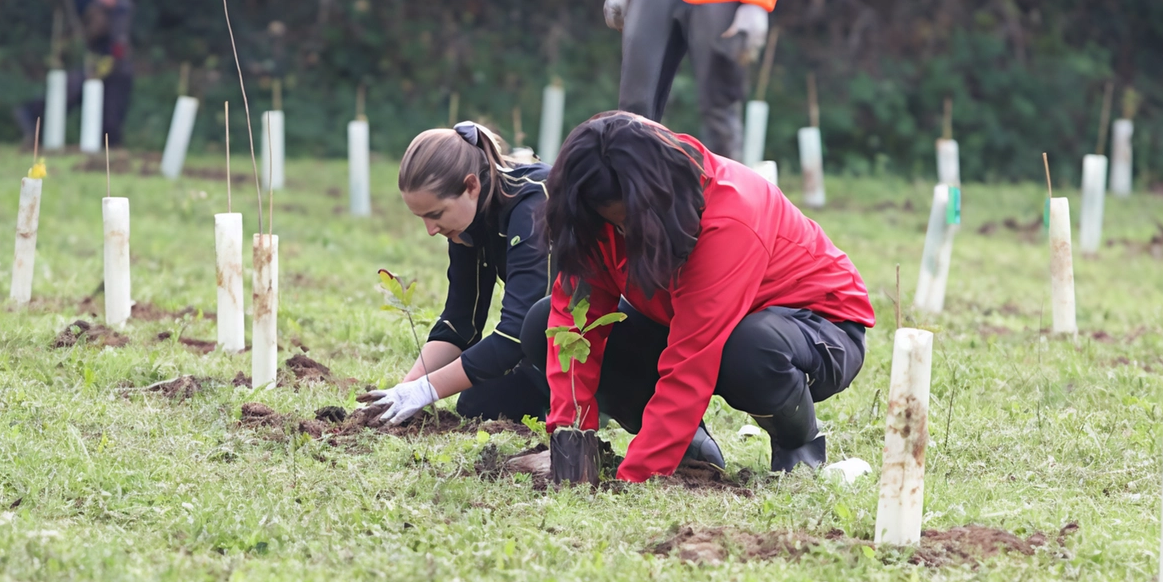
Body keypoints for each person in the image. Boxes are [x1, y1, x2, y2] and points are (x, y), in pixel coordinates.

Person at [525, 112, 874, 483]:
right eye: (614, 223)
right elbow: (576, 325)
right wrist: (571, 441)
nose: (623, 233)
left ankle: (797, 445)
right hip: (685, 319)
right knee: (542, 325)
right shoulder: (600, 212)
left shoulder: (730, 216)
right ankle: (689, 449)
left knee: (749, 349)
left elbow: (691, 360)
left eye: (629, 221)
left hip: (818, 328)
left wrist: (637, 478)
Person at [367, 123, 552, 425]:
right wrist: (405, 390)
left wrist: (427, 389)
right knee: (479, 404)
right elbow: (460, 322)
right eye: (421, 218)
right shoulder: (468, 220)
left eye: (436, 214)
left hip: (604, 339)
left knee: (533, 327)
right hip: (544, 344)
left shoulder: (532, 206)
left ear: (471, 186)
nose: (430, 231)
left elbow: (515, 333)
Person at [599, 0, 782, 160]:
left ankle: (725, 186)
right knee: (632, 111)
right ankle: (631, 185)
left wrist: (757, 1)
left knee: (719, 110)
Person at [15, 0, 135, 147]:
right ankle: (36, 117)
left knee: (115, 76)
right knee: (80, 76)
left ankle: (110, 140)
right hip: (90, 5)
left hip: (114, 13)